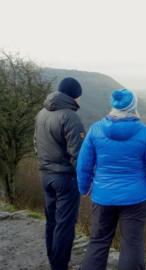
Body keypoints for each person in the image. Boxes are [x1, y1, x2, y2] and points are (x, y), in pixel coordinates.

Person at [77, 88, 146, 270]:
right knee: (132, 244)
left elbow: (84, 164)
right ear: (133, 107)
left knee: (98, 241)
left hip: (103, 197)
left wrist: (84, 188)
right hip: (135, 198)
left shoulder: (95, 130)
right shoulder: (145, 133)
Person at [34, 77, 85, 270]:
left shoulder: (41, 113)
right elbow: (79, 154)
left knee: (52, 220)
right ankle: (60, 265)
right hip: (64, 177)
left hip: (45, 175)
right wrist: (85, 180)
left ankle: (53, 259)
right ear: (74, 95)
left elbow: (36, 144)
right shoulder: (70, 117)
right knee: (65, 224)